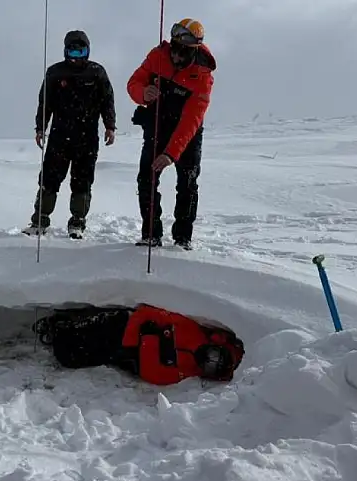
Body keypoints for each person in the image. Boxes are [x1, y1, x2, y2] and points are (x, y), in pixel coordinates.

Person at [127, 18, 215, 249]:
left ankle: (182, 238)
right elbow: (134, 82)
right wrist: (143, 93)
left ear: (193, 51)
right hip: (156, 127)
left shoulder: (203, 76)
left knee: (187, 183)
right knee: (146, 179)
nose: (175, 57)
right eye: (174, 50)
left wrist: (171, 154)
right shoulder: (158, 55)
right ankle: (151, 234)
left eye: (182, 53)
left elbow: (191, 120)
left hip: (187, 135)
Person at [23, 29, 116, 239]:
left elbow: (107, 101)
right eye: (72, 53)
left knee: (82, 181)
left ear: (88, 51)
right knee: (49, 179)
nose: (77, 58)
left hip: (87, 138)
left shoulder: (97, 72)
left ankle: (77, 223)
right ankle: (39, 220)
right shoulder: (55, 73)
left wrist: (110, 126)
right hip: (59, 136)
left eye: (81, 52)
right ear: (66, 52)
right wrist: (40, 128)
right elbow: (44, 104)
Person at [33, 302, 245, 385]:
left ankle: (61, 330)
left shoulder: (187, 371)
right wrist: (146, 326)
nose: (209, 359)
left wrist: (150, 339)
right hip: (126, 322)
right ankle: (62, 322)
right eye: (215, 355)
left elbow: (153, 373)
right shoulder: (196, 331)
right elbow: (160, 314)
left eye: (211, 364)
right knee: (92, 324)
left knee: (68, 358)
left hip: (125, 350)